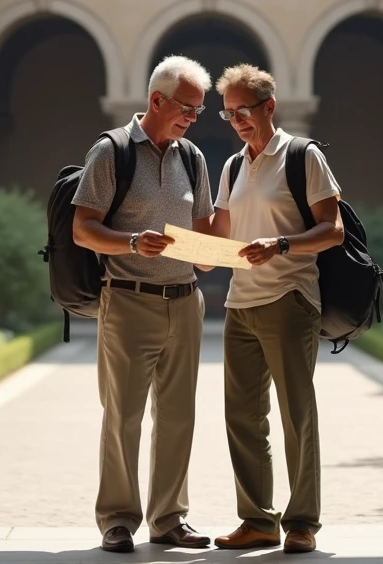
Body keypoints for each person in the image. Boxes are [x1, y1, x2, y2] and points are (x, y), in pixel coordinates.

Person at [71, 55, 215, 554]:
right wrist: (133, 242)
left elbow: (202, 231)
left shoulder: (193, 158)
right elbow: (83, 228)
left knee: (178, 417)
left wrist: (227, 246)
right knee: (123, 415)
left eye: (198, 112)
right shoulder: (111, 152)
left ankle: (169, 519)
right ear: (157, 100)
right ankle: (116, 520)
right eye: (188, 109)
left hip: (185, 301)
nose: (193, 119)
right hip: (129, 301)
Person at [208, 64, 343, 555]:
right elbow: (221, 237)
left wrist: (282, 244)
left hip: (289, 298)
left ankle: (302, 522)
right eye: (228, 114)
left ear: (269, 106)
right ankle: (258, 520)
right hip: (239, 303)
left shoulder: (302, 156)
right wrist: (185, 250)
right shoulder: (231, 167)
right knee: (242, 417)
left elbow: (333, 230)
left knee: (296, 415)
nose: (238, 120)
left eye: (244, 110)